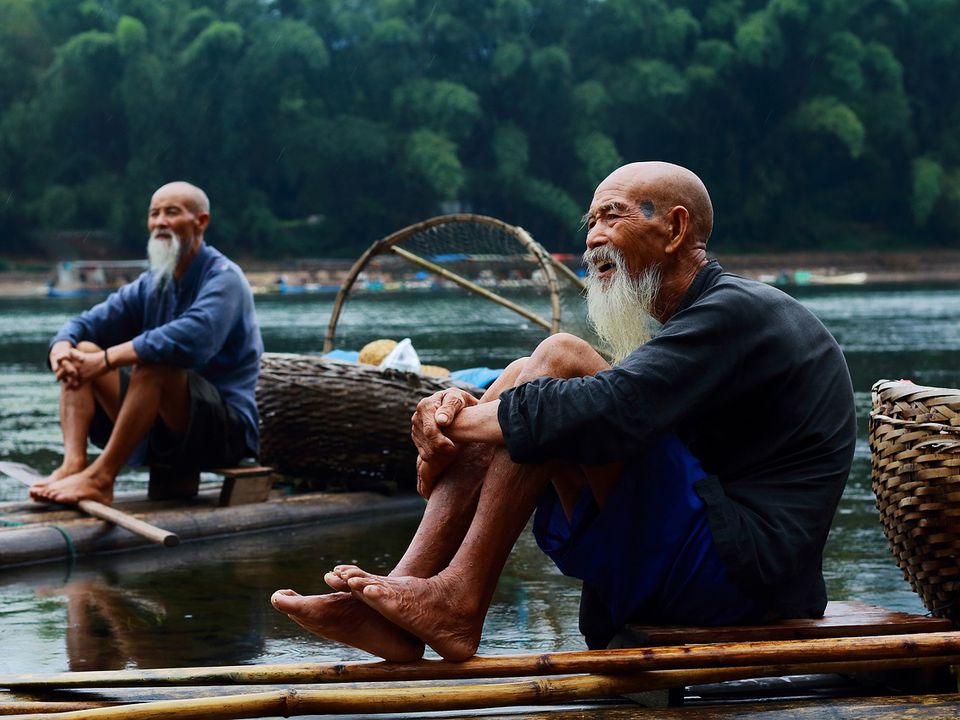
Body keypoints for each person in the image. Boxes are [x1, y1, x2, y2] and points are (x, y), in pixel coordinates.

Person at [271, 161, 856, 661]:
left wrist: (459, 426)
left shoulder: (738, 311)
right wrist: (473, 408)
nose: (593, 239)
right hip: (707, 553)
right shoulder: (698, 322)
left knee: (558, 357)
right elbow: (609, 407)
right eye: (590, 223)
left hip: (746, 574)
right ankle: (406, 596)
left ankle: (459, 601)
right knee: (528, 373)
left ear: (675, 228)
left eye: (613, 216)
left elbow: (615, 406)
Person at [30, 181, 263, 507]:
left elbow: (190, 339)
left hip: (225, 433)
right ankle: (74, 466)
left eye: (172, 212)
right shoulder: (152, 283)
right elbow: (86, 323)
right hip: (165, 427)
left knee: (156, 362)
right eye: (155, 214)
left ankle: (101, 479)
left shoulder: (225, 277)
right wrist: (61, 347)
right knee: (81, 352)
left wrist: (108, 359)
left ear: (201, 222)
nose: (161, 222)